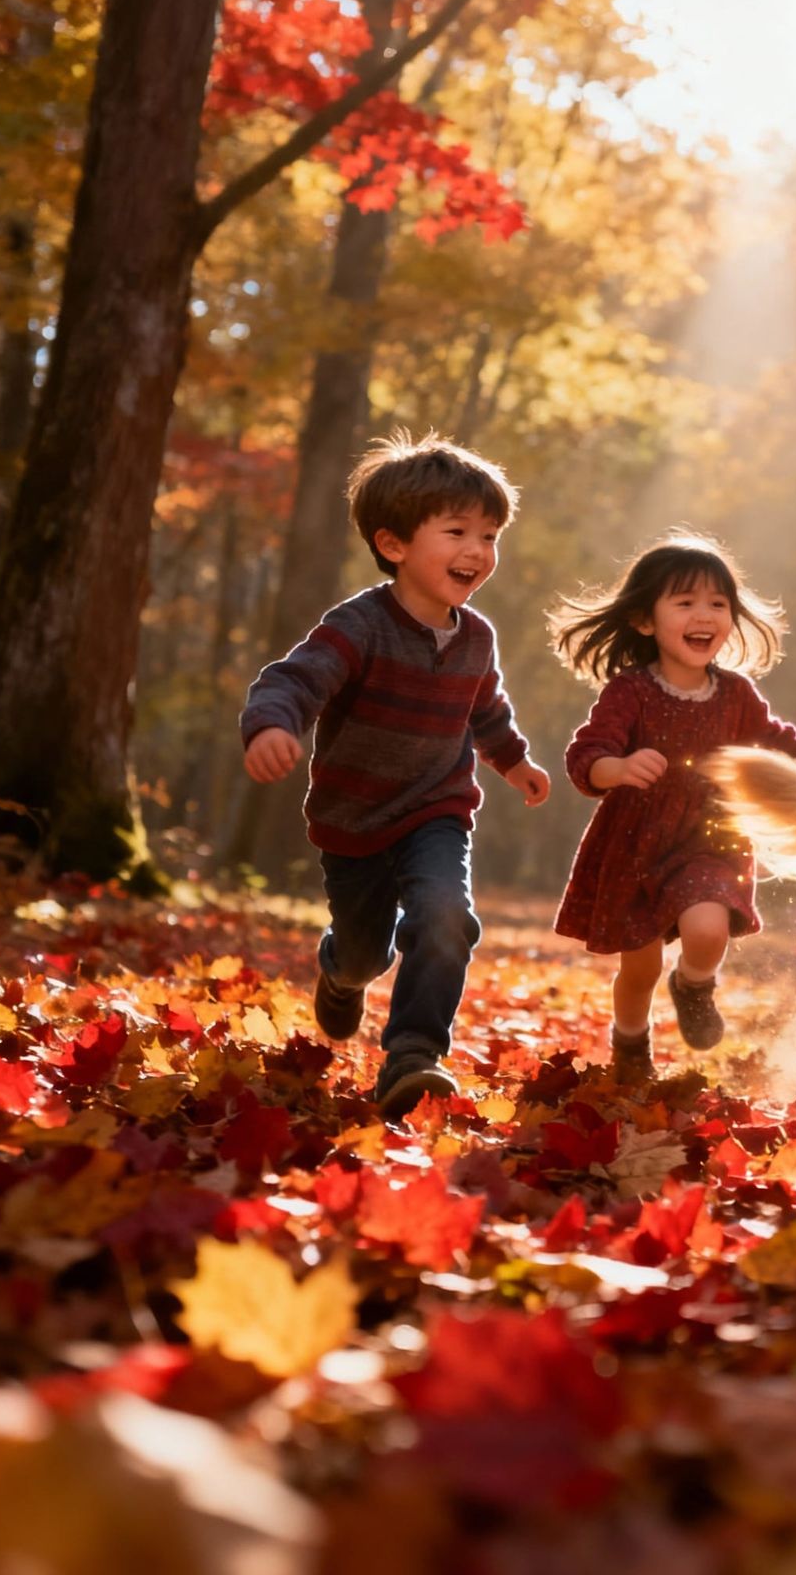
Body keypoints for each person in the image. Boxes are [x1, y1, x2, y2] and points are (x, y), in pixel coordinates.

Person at [240, 431, 550, 1117]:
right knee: (361, 954)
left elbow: (487, 708)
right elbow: (294, 680)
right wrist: (271, 725)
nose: (478, 550)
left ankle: (414, 1053)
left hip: (437, 810)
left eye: (490, 535)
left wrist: (514, 760)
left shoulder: (477, 638)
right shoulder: (358, 627)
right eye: (458, 531)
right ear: (394, 544)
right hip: (354, 820)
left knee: (446, 915)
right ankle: (339, 972)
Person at [548, 531, 796, 1070]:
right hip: (635, 847)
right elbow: (587, 752)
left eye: (717, 603)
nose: (704, 615)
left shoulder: (735, 694)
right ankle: (630, 1040)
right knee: (638, 972)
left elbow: (773, 738)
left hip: (710, 839)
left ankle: (693, 984)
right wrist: (615, 767)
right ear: (646, 620)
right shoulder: (631, 692)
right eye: (685, 602)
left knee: (709, 930)